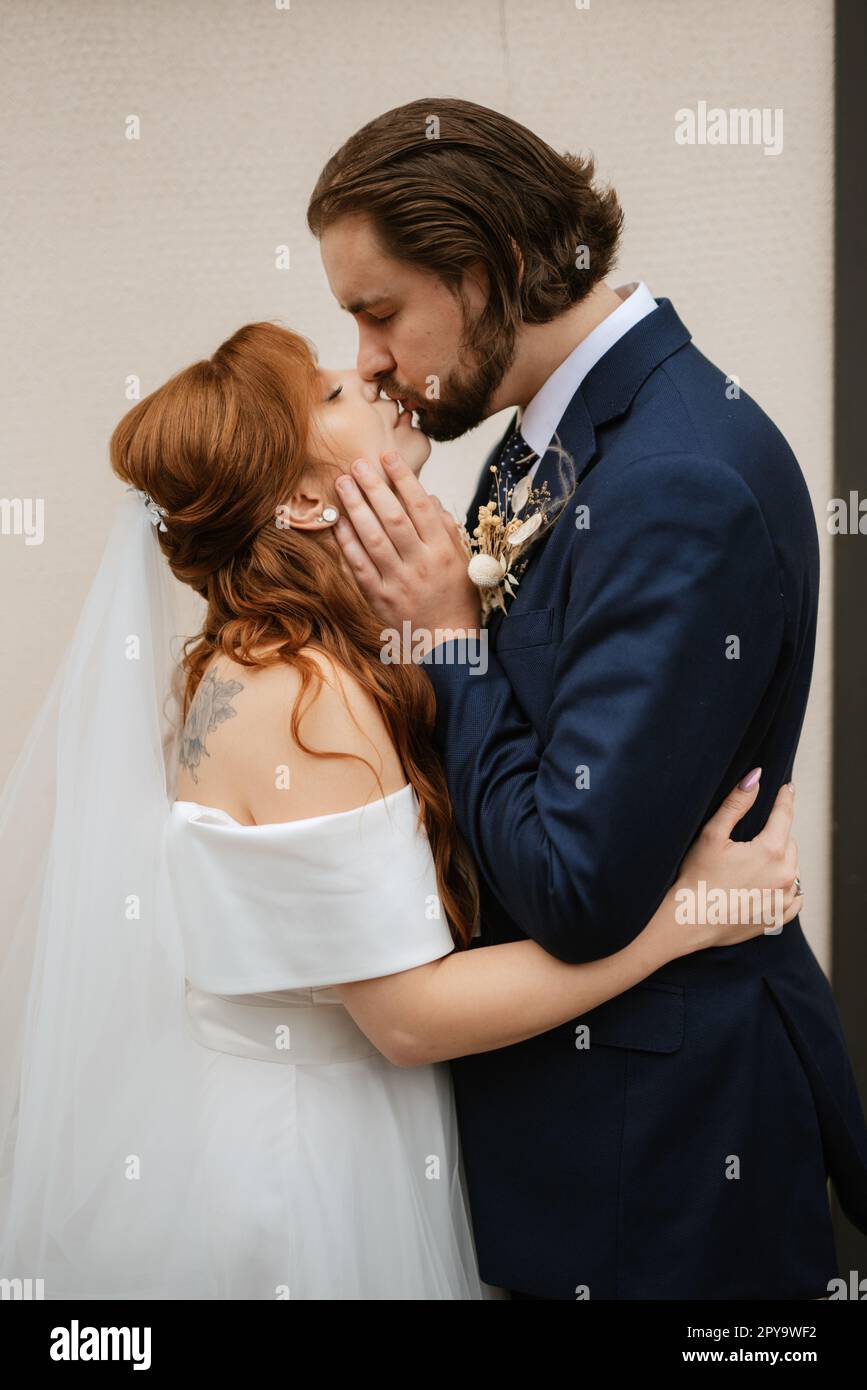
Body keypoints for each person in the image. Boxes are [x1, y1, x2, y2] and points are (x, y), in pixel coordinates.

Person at [0, 323, 802, 1300]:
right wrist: (684, 915)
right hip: (309, 1171)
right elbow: (410, 1018)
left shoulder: (282, 659)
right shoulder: (300, 696)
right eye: (330, 395)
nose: (369, 375)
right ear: (300, 497)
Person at [306, 95, 867, 1298]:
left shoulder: (677, 480)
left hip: (661, 1150)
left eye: (379, 312)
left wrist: (449, 635)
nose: (365, 359)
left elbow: (576, 883)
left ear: (494, 266)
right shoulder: (540, 440)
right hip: (582, 1128)